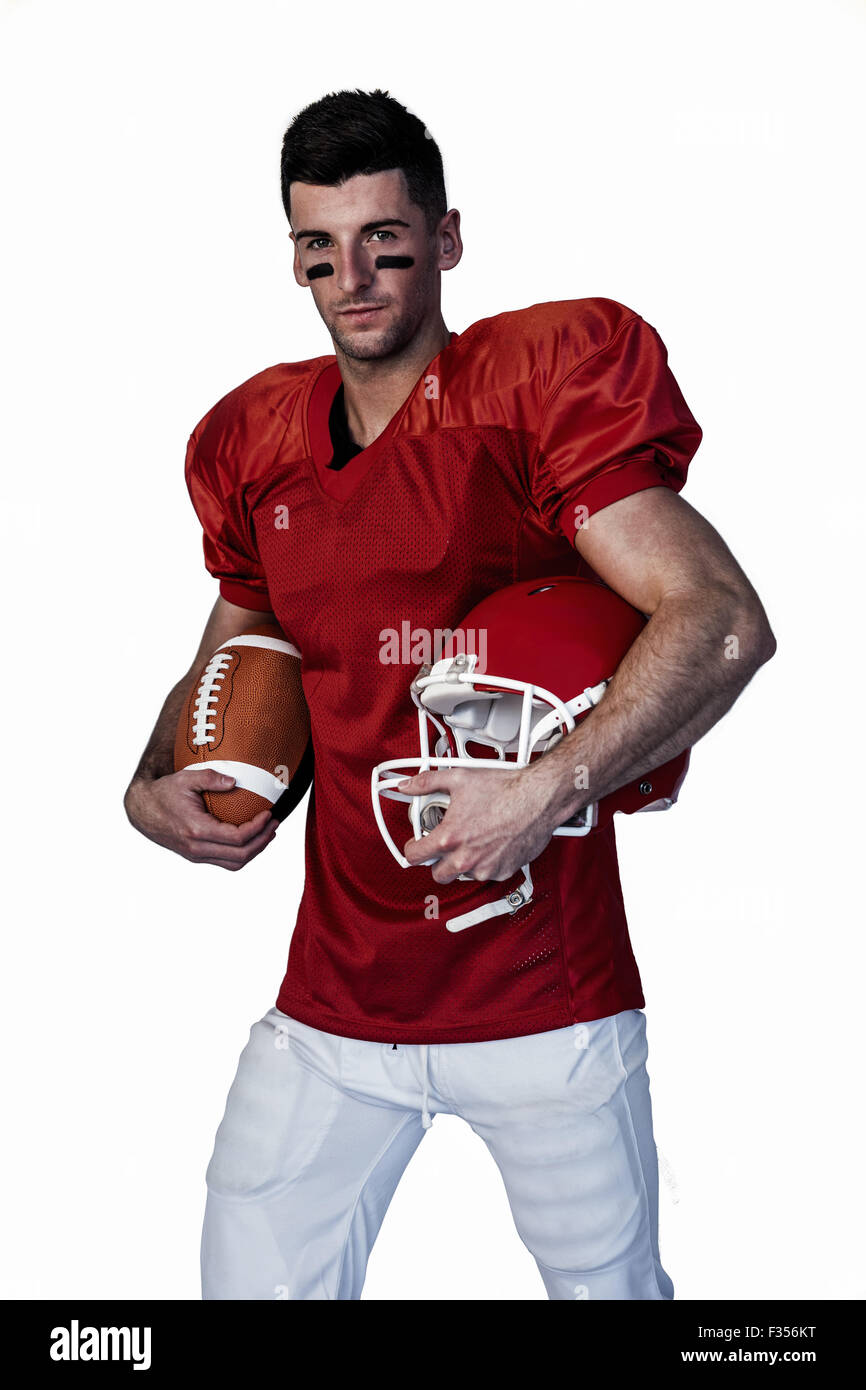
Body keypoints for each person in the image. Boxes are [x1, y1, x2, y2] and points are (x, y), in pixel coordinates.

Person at [124, 88, 775, 1301]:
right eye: (320, 251)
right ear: (296, 262)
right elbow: (240, 636)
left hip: (538, 989)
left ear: (446, 238)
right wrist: (146, 780)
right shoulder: (257, 440)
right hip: (333, 1000)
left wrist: (543, 790)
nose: (352, 277)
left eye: (385, 241)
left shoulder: (529, 392)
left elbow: (722, 620)